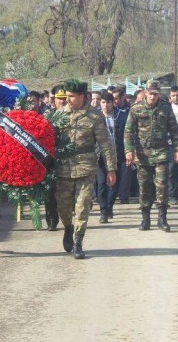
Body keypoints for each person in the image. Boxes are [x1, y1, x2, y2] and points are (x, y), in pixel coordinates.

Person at [54, 79, 117, 259]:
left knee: (82, 208)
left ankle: (78, 242)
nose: (68, 100)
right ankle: (68, 227)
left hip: (86, 168)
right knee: (63, 208)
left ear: (82, 96)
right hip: (63, 169)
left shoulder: (95, 117)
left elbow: (106, 144)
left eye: (72, 96)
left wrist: (111, 169)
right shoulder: (59, 115)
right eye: (67, 96)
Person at [124, 79, 178, 231]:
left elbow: (174, 130)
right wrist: (128, 150)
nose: (153, 97)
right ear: (145, 92)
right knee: (144, 186)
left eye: (156, 94)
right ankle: (145, 219)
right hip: (142, 153)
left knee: (162, 185)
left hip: (161, 152)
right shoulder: (136, 109)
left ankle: (162, 219)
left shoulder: (165, 108)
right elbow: (129, 131)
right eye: (150, 94)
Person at [96, 90, 126, 223]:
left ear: (112, 103)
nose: (106, 105)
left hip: (117, 155)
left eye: (108, 102)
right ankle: (103, 210)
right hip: (99, 157)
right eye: (103, 102)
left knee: (114, 184)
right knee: (101, 183)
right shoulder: (95, 117)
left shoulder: (121, 116)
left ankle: (109, 206)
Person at [43, 85, 67, 231]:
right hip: (50, 159)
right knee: (50, 191)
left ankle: (67, 218)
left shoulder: (73, 114)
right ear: (54, 100)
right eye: (60, 99)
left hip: (68, 158)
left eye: (64, 99)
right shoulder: (48, 115)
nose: (62, 102)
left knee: (66, 192)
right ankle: (51, 218)